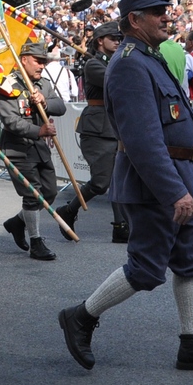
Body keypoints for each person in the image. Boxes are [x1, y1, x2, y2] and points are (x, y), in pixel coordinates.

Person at [57, 0, 193, 373]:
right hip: (157, 184)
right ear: (134, 20)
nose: (165, 16)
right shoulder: (128, 64)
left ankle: (192, 342)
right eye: (157, 12)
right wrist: (174, 191)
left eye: (164, 10)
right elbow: (141, 139)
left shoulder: (147, 55)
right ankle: (81, 316)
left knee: (191, 259)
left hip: (180, 175)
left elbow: (168, 109)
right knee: (146, 267)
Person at [56, 21, 130, 242]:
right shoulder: (93, 65)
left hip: (116, 126)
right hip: (97, 129)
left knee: (118, 178)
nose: (118, 42)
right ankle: (68, 210)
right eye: (113, 38)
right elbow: (116, 81)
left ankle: (120, 226)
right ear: (100, 41)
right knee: (101, 182)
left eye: (120, 38)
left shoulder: (114, 61)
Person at [0, 40, 67, 261]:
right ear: (24, 60)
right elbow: (11, 121)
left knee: (49, 193)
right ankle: (36, 242)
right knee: (33, 194)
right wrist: (40, 131)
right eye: (38, 61)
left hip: (39, 148)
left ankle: (17, 222)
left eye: (44, 62)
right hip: (18, 148)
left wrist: (45, 102)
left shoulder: (43, 84)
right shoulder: (8, 85)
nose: (41, 66)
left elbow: (62, 107)